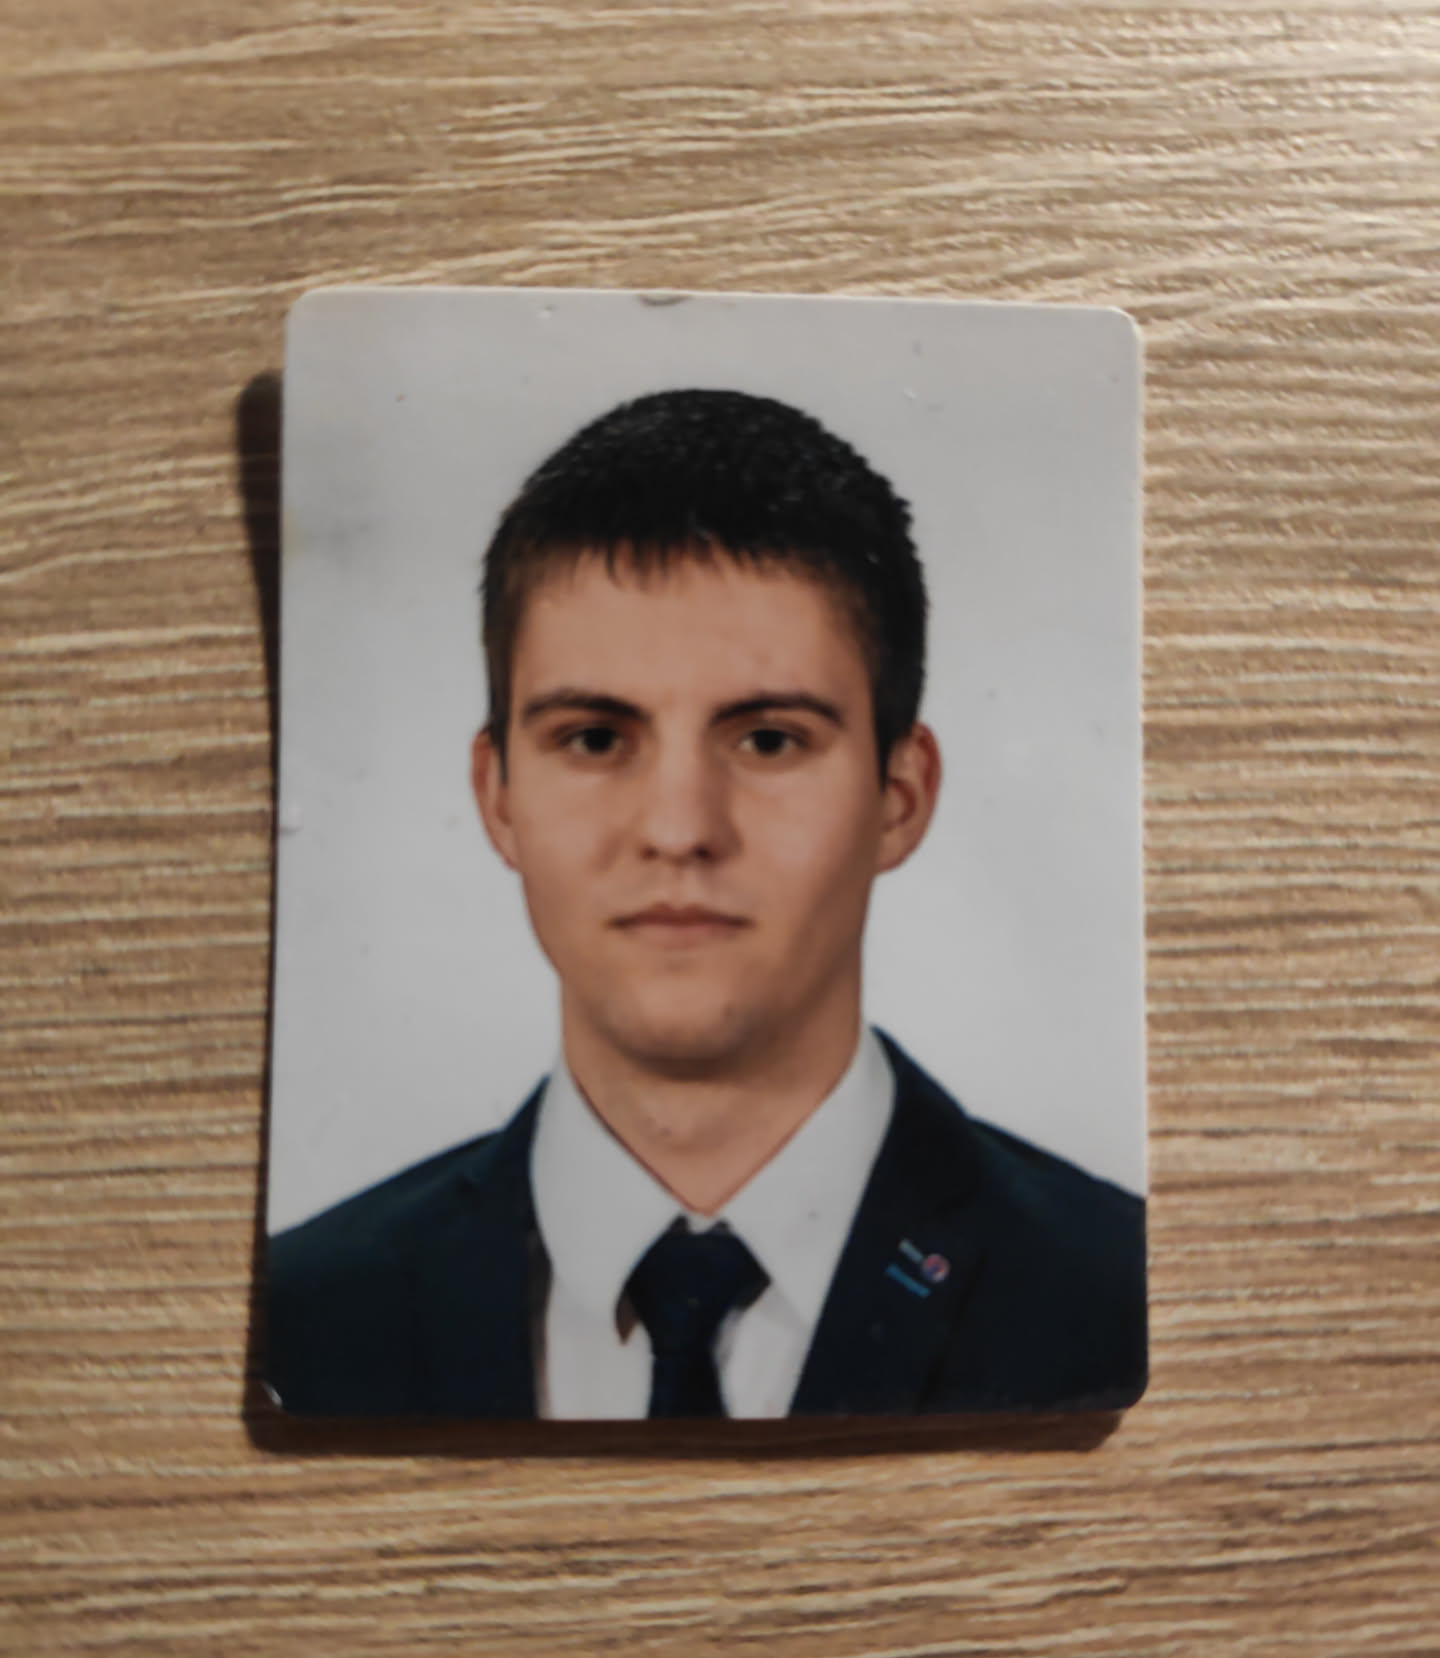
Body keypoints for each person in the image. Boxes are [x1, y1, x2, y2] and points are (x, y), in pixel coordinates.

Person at [267, 388, 1146, 1419]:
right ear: (497, 797)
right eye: (596, 739)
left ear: (899, 798)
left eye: (768, 740)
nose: (680, 829)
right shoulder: (305, 1320)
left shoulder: (1117, 1299)